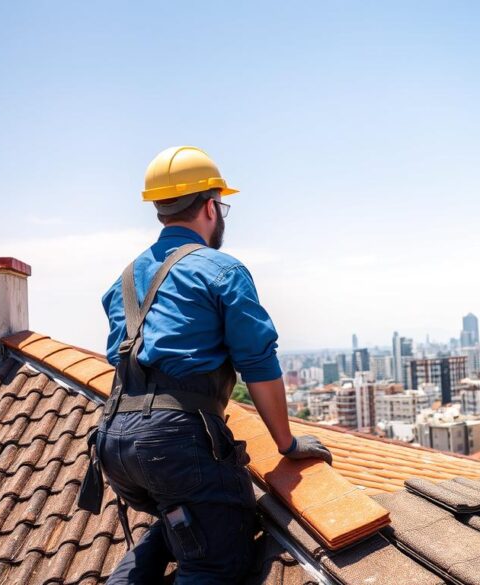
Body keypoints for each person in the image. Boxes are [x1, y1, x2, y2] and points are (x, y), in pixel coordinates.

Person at [81, 146, 332, 584]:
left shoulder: (122, 280)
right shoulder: (220, 270)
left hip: (115, 442)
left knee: (183, 516)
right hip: (173, 443)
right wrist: (287, 444)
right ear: (212, 206)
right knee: (218, 562)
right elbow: (259, 363)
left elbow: (124, 363)